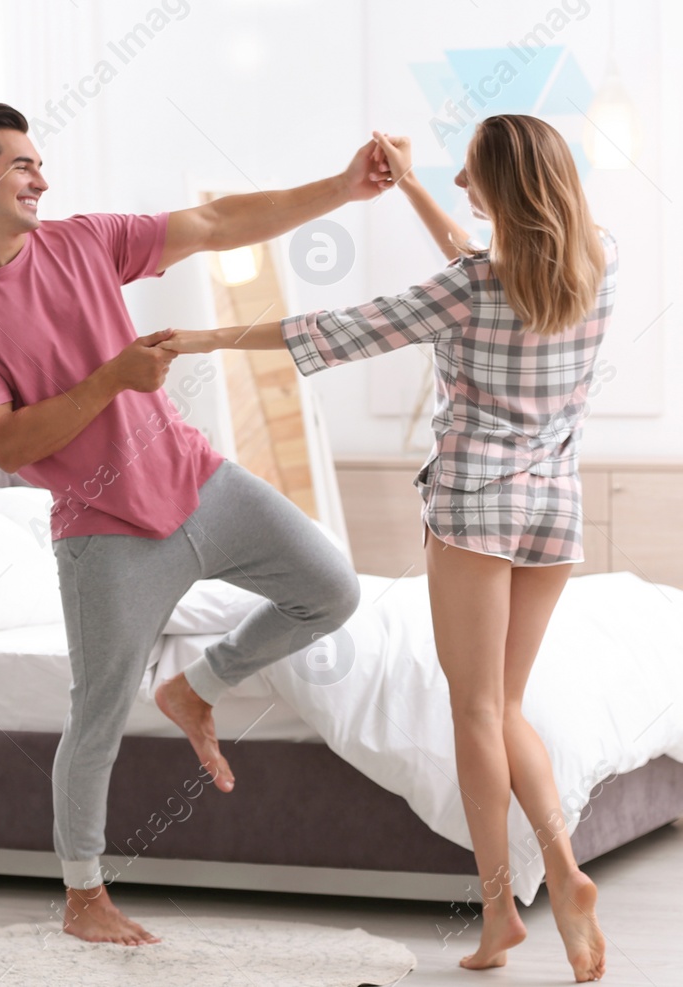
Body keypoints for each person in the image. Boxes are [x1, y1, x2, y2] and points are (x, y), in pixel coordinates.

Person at [0, 103, 391, 945]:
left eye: (41, 163)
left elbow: (212, 222)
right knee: (97, 713)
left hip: (198, 478)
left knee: (332, 587)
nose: (42, 180)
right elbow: (7, 442)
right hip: (105, 531)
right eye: (23, 165)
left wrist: (343, 188)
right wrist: (110, 380)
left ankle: (195, 688)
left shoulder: (83, 240)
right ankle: (84, 895)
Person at [164, 115, 615, 982]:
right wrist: (406, 187)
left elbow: (328, 331)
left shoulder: (468, 289)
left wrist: (204, 338)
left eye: (466, 176)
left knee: (476, 709)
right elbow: (483, 265)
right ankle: (561, 868)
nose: (457, 190)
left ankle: (498, 909)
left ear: (504, 190)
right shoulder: (599, 258)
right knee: (505, 706)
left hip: (475, 507)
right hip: (554, 511)